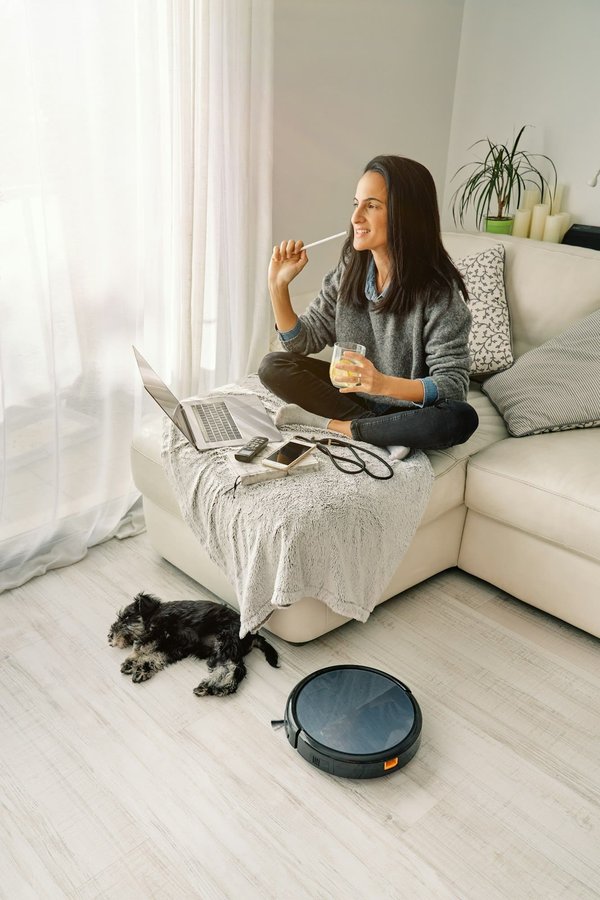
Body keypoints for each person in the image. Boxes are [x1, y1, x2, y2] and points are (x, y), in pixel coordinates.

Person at [258, 155, 479, 457]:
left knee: (461, 418)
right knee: (273, 365)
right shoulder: (349, 270)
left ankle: (338, 427)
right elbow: (301, 342)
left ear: (405, 215)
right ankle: (379, 430)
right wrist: (278, 286)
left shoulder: (439, 293)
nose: (356, 217)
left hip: (407, 407)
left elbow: (452, 386)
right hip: (354, 397)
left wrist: (383, 384)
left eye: (371, 206)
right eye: (356, 204)